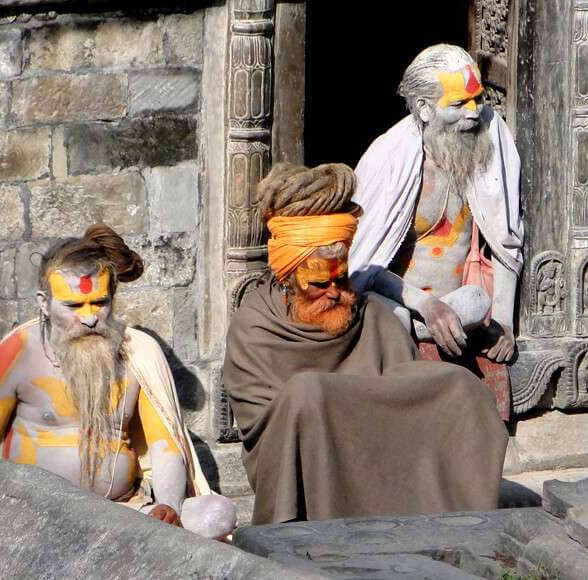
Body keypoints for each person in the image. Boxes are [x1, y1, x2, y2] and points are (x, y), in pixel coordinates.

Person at [224, 162, 508, 525]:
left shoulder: (369, 313)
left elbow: (402, 387)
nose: (335, 292)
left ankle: (464, 526)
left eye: (341, 280)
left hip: (377, 446)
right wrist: (323, 404)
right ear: (288, 279)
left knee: (461, 387)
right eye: (319, 284)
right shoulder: (253, 325)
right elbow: (263, 422)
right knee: (306, 392)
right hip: (303, 456)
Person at [0, 225, 235, 539]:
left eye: (100, 302)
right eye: (74, 306)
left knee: (217, 514)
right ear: (44, 303)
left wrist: (169, 507)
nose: (90, 317)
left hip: (122, 514)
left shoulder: (137, 353)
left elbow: (165, 446)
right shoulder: (18, 351)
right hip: (34, 519)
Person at [348, 44, 525, 419]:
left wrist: (506, 322)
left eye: (477, 100)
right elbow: (364, 265)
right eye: (459, 104)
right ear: (425, 109)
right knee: (386, 319)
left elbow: (506, 237)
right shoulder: (390, 158)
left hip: (461, 306)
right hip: (402, 305)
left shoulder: (490, 137)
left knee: (477, 301)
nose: (474, 113)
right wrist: (426, 306)